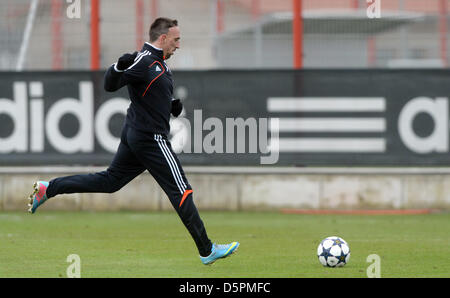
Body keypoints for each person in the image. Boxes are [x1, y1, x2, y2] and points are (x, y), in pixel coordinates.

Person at [27, 17, 239, 265]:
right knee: (181, 190)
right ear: (162, 38)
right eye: (176, 39)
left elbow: (147, 92)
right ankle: (206, 249)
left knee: (110, 181)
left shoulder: (159, 63)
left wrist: (170, 106)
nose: (178, 45)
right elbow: (110, 84)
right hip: (150, 137)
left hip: (137, 133)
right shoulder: (145, 60)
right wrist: (117, 67)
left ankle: (48, 188)